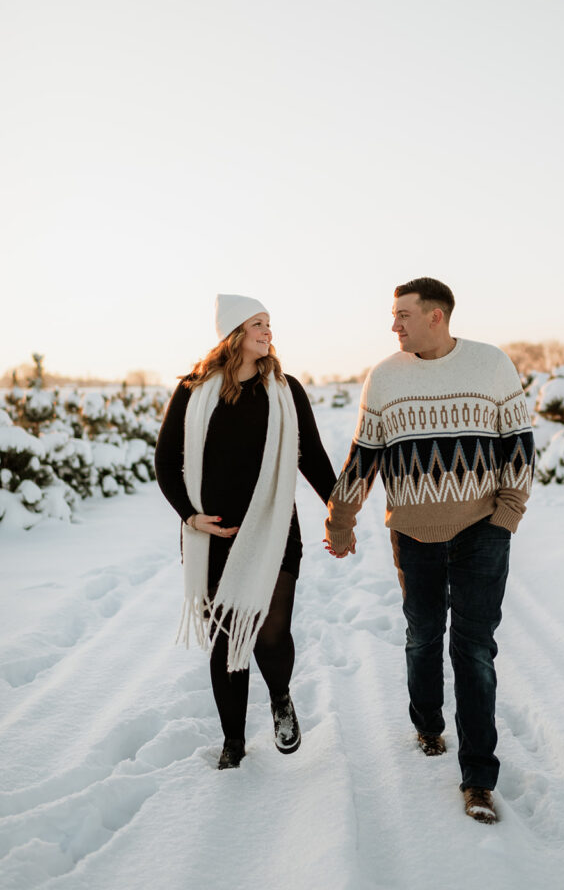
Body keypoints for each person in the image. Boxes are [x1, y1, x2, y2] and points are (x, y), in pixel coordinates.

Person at [324, 277, 534, 824]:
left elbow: (519, 446)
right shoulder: (385, 377)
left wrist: (505, 517)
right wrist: (340, 520)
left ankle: (478, 781)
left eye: (403, 316)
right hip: (412, 532)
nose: (393, 326)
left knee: (474, 649)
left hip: (481, 530)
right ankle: (427, 724)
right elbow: (363, 457)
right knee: (422, 635)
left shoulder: (491, 365)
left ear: (436, 316)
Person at [156, 294, 336, 770]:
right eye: (258, 323)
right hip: (212, 535)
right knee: (226, 643)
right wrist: (190, 517)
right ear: (233, 333)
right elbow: (165, 462)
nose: (268, 331)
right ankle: (233, 742)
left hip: (274, 529)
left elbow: (311, 457)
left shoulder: (286, 390)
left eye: (269, 323)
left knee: (271, 634)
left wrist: (341, 509)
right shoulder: (193, 390)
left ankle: (280, 698)